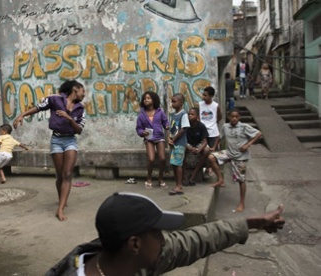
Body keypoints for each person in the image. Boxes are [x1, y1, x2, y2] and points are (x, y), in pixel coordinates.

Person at [46, 192, 285, 275]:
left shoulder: (124, 260)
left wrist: (250, 223)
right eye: (157, 232)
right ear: (135, 244)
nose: (164, 239)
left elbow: (193, 240)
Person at [13, 79, 86, 221]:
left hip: (70, 141)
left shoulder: (80, 109)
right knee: (60, 176)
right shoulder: (55, 99)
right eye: (83, 91)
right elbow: (38, 107)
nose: (84, 94)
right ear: (75, 89)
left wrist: (69, 119)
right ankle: (62, 201)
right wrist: (22, 115)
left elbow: (79, 130)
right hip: (56, 141)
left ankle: (60, 209)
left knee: (67, 174)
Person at [208, 109, 262, 212]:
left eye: (236, 117)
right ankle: (220, 179)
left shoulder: (244, 127)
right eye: (232, 117)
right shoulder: (225, 127)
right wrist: (214, 147)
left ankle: (242, 203)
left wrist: (247, 144)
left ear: (239, 117)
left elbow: (258, 134)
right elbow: (220, 137)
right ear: (229, 117)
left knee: (241, 180)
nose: (234, 119)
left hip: (241, 157)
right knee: (211, 157)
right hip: (229, 153)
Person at [136, 91, 169, 189]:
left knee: (162, 158)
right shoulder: (142, 115)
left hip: (159, 137)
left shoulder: (159, 112)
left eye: (148, 98)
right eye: (145, 98)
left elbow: (165, 122)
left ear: (154, 100)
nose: (146, 100)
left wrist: (166, 126)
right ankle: (149, 178)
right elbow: (138, 128)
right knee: (151, 159)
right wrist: (142, 133)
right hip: (149, 139)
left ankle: (160, 179)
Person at [168, 93, 189, 195]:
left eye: (174, 101)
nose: (172, 103)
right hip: (174, 143)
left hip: (180, 143)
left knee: (178, 164)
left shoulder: (183, 114)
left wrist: (174, 139)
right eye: (172, 101)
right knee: (174, 163)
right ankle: (177, 184)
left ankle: (179, 186)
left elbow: (183, 129)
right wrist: (170, 138)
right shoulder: (173, 115)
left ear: (181, 102)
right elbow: (172, 129)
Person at [198, 86, 222, 176]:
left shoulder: (215, 106)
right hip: (203, 132)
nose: (203, 97)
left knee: (213, 152)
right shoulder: (200, 104)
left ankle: (211, 168)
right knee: (203, 151)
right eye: (203, 95)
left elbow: (219, 117)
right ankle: (206, 167)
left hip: (213, 132)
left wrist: (212, 123)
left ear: (211, 96)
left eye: (205, 95)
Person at [183, 107, 209, 186]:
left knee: (206, 150)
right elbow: (182, 139)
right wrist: (188, 147)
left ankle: (194, 174)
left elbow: (205, 141)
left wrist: (199, 149)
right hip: (188, 144)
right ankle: (185, 176)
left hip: (198, 145)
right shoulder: (185, 125)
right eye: (189, 114)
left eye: (192, 114)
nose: (190, 116)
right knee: (180, 149)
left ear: (197, 116)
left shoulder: (201, 126)